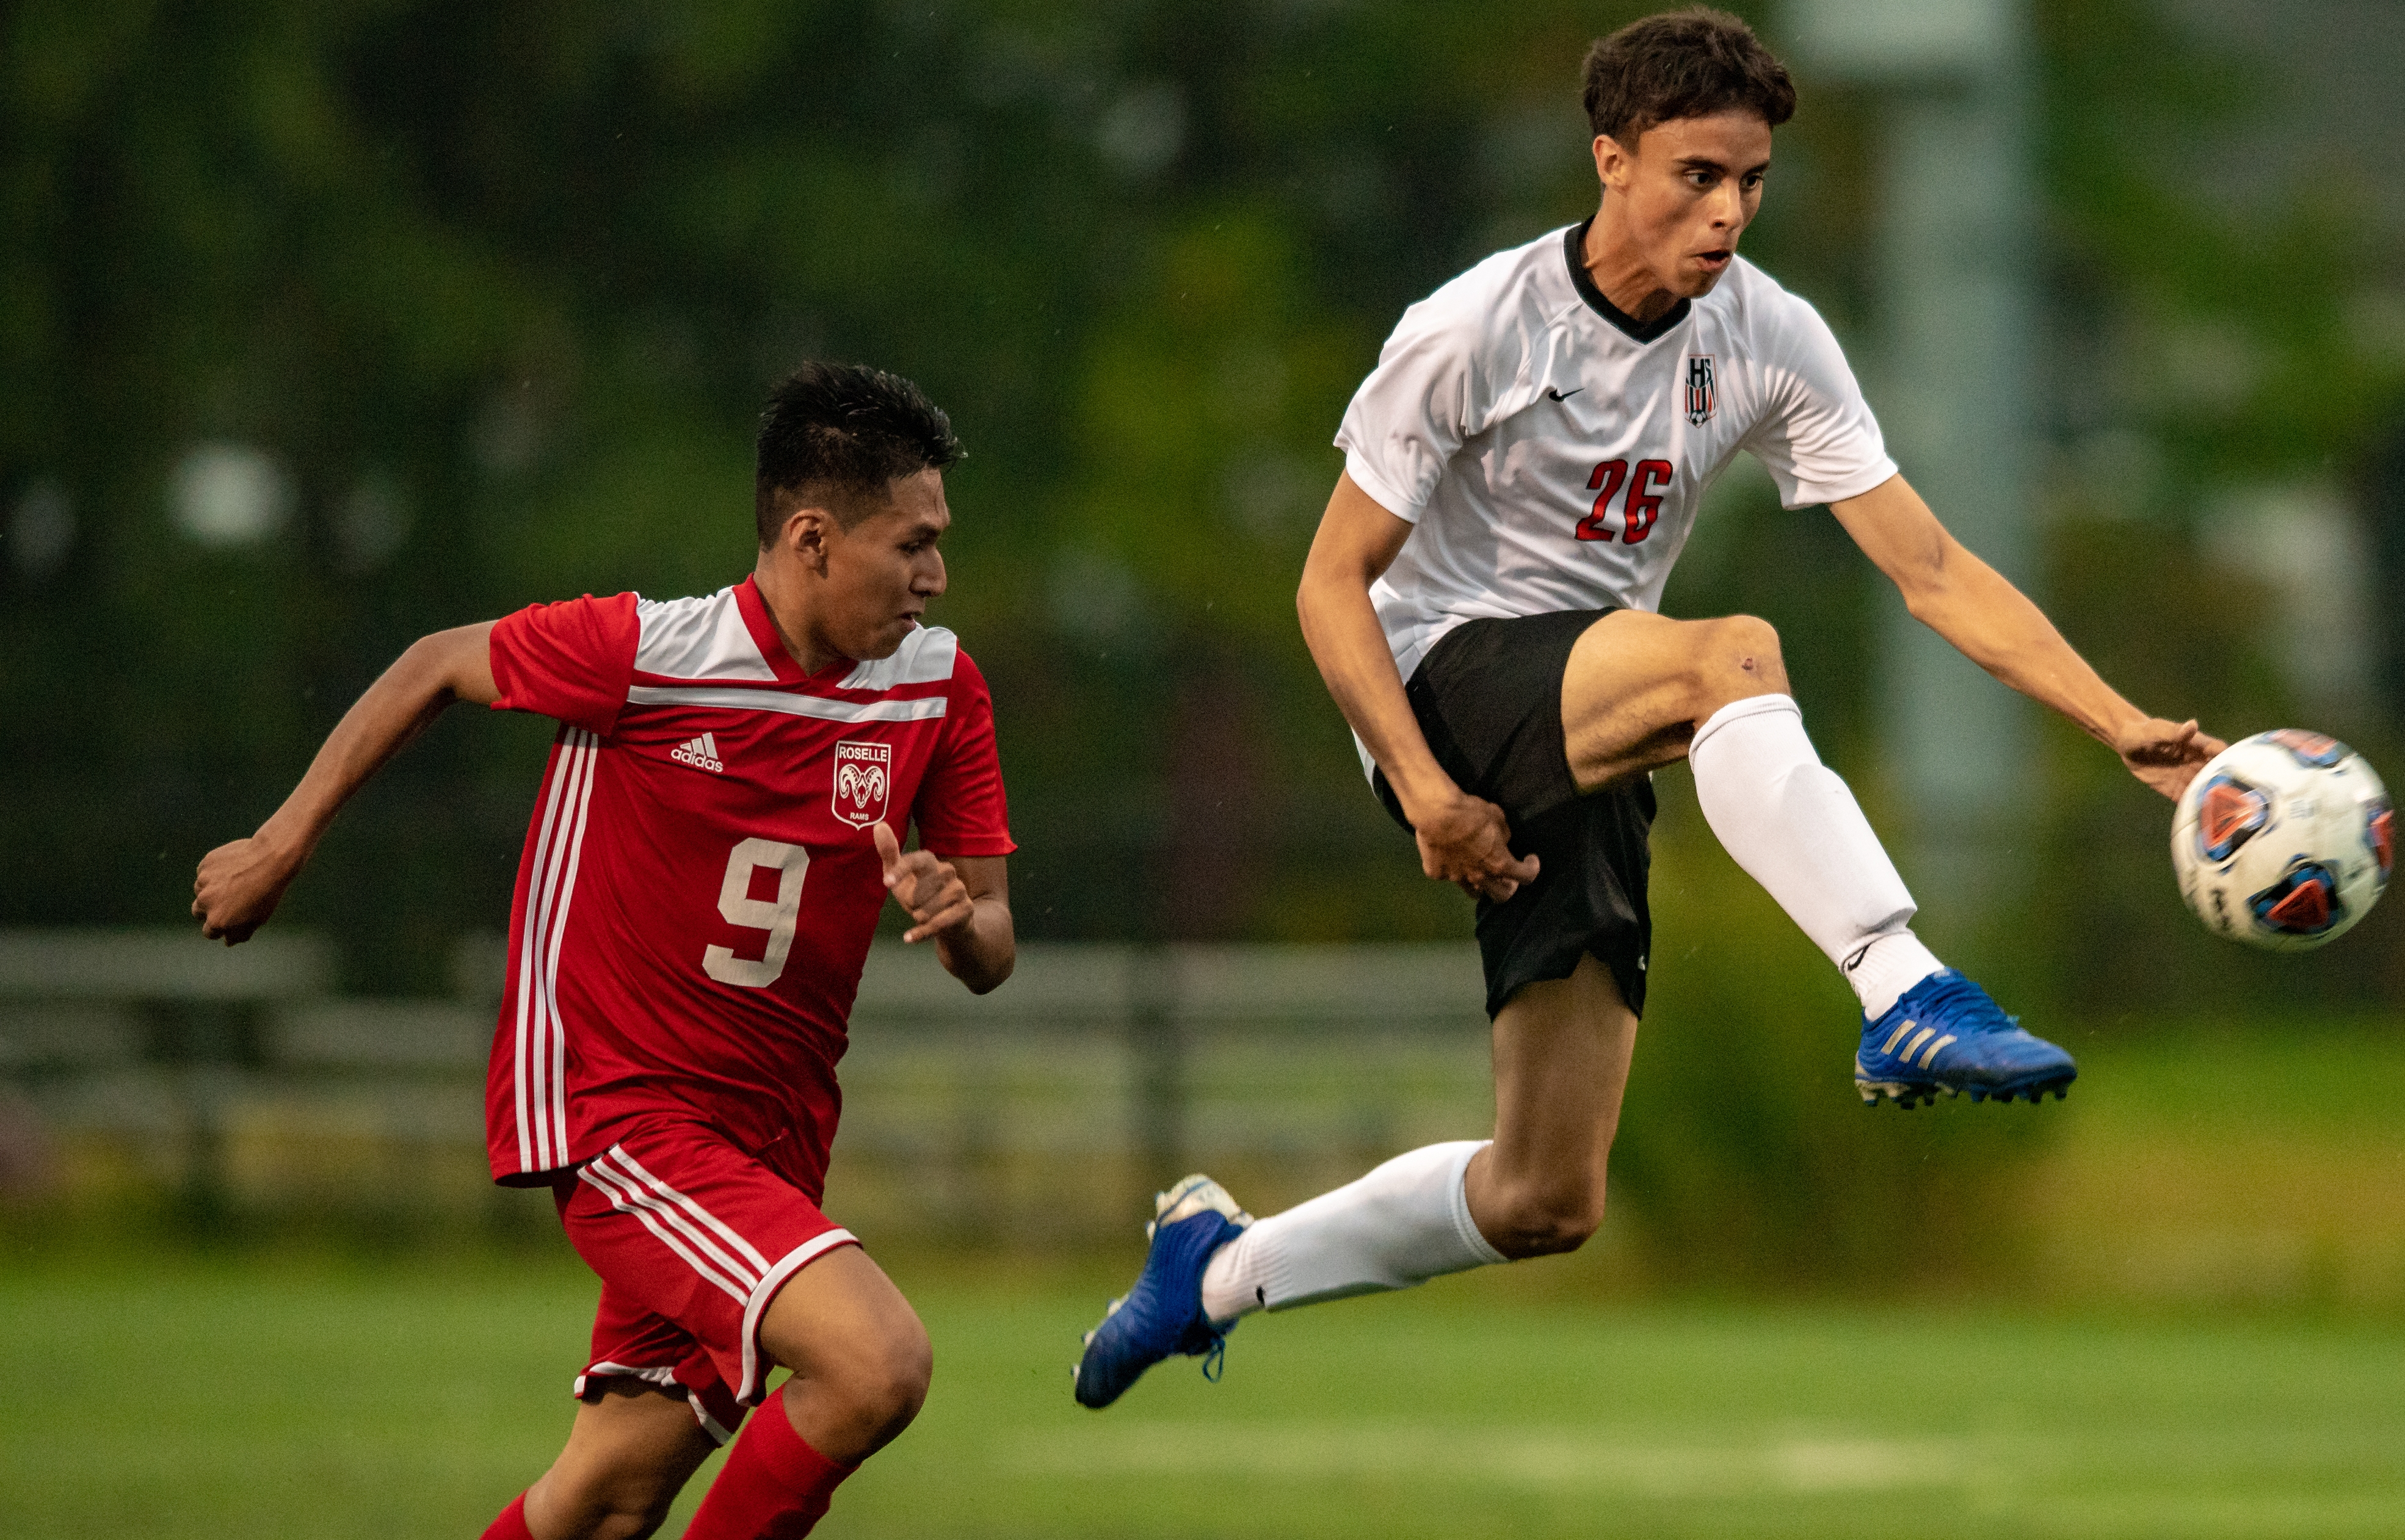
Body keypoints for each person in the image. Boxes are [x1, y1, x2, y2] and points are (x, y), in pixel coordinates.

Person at [1071, 7, 2221, 1409]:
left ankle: (1216, 1268)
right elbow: (1327, 586)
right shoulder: (1473, 326)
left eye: (1751, 180)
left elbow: (1927, 567)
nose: (1729, 211)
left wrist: (2116, 724)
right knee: (1727, 652)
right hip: (1437, 685)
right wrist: (1421, 786)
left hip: (1593, 723)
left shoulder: (1769, 337)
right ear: (1609, 158)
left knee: (1544, 1192)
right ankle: (1900, 989)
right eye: (1696, 174)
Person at [192, 362, 1017, 1539]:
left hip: (774, 1140)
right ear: (813, 538)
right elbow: (435, 660)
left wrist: (955, 918)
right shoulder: (649, 653)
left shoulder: (939, 688)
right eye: (912, 543)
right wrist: (280, 845)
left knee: (610, 1496)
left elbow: (993, 945)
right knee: (877, 1365)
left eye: (940, 542)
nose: (936, 575)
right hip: (621, 1112)